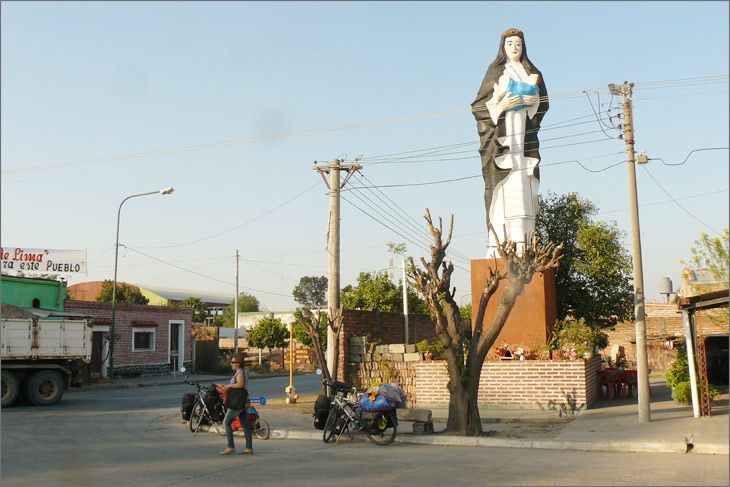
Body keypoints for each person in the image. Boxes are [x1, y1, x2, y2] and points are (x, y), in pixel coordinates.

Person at [471, 28, 549, 256]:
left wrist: (531, 101)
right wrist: (502, 106)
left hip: (524, 146)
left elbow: (543, 104)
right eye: (510, 44)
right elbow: (478, 107)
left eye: (518, 44)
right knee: (501, 194)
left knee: (524, 190)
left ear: (523, 47)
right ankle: (498, 246)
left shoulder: (532, 72)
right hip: (502, 146)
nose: (514, 48)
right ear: (502, 47)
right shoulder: (495, 71)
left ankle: (524, 246)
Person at [215, 355, 253, 455]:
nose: (231, 364)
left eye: (232, 362)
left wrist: (228, 386)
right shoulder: (241, 372)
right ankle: (249, 448)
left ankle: (230, 446)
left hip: (238, 402)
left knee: (226, 422)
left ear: (238, 363)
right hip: (243, 401)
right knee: (245, 424)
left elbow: (240, 385)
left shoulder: (240, 372)